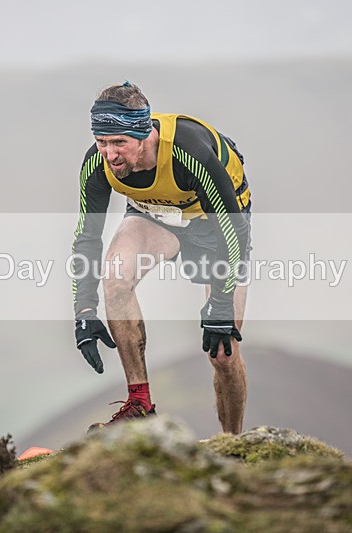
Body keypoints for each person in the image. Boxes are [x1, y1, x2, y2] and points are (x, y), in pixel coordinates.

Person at [72, 82, 252, 434]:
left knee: (223, 353)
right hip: (154, 216)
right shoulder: (97, 162)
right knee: (115, 278)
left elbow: (234, 231)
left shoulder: (189, 151)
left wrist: (220, 304)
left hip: (217, 226)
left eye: (119, 142)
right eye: (102, 142)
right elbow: (87, 235)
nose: (110, 154)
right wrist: (84, 310)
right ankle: (139, 403)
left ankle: (233, 442)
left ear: (145, 134)